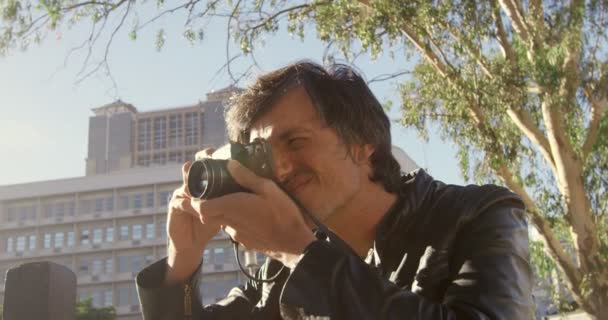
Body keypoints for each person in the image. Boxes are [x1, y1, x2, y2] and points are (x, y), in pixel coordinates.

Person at [136, 61, 534, 319]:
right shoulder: (280, 270)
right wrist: (181, 263)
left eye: (295, 142)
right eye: (262, 156)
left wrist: (301, 252)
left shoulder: (479, 215)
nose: (280, 169)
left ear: (364, 145)